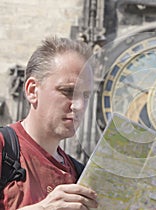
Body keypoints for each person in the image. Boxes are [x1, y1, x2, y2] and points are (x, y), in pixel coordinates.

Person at [0, 36, 99, 209]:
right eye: (68, 91)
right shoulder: (4, 149)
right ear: (32, 91)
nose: (79, 106)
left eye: (85, 96)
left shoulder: (80, 175)